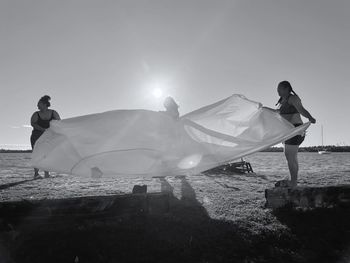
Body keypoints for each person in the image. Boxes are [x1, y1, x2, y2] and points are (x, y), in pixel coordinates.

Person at [265, 81, 316, 188]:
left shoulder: (293, 98)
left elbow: (301, 110)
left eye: (280, 89)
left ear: (287, 88)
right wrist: (263, 109)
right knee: (291, 157)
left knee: (290, 157)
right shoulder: (282, 101)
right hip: (288, 132)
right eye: (277, 89)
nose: (278, 91)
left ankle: (293, 182)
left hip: (295, 130)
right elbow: (277, 113)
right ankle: (294, 181)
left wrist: (310, 117)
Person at [30, 95, 61, 178]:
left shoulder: (53, 113)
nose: (37, 106)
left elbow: (59, 123)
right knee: (36, 153)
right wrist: (42, 129)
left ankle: (47, 173)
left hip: (49, 135)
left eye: (39, 104)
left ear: (44, 104)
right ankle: (36, 173)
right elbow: (33, 123)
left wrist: (52, 130)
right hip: (37, 135)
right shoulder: (36, 114)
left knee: (47, 153)